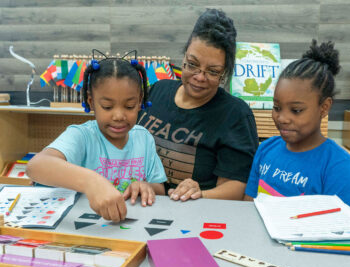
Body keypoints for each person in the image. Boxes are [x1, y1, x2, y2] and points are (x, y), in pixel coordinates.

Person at [27, 52, 167, 222]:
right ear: (91, 102)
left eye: (129, 106)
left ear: (139, 102)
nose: (118, 116)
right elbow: (35, 166)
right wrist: (91, 182)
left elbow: (159, 188)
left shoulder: (143, 138)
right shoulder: (82, 136)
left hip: (131, 225)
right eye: (107, 107)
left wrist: (146, 187)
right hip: (86, 226)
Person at [138, 9, 259, 202]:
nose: (199, 77)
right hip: (142, 202)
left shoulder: (235, 114)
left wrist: (200, 193)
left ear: (224, 72)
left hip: (198, 214)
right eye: (192, 64)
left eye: (212, 71)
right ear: (184, 56)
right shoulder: (158, 91)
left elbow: (236, 188)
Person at [244, 40, 350, 208]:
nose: (282, 118)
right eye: (277, 107)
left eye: (296, 110)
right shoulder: (265, 149)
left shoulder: (338, 165)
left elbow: (346, 226)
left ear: (324, 107)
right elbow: (249, 206)